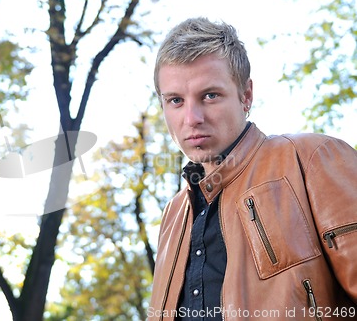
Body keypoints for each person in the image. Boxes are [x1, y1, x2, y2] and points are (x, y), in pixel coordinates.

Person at [148, 17, 357, 321]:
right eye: (176, 100)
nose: (191, 118)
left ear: (246, 95)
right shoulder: (173, 214)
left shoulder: (312, 158)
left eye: (210, 95)